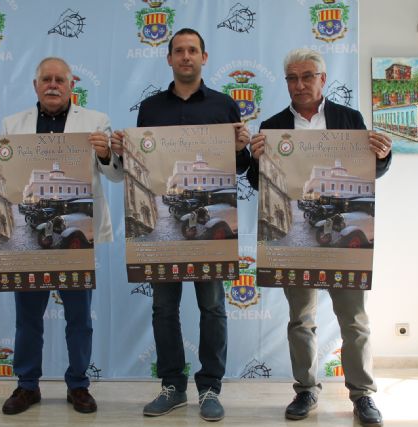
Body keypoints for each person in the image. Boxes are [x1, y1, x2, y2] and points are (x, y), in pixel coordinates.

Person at [0, 57, 123, 415]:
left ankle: (78, 385)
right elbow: (4, 172)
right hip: (31, 237)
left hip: (78, 236)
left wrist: (104, 154)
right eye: (46, 79)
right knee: (28, 317)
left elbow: (115, 176)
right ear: (36, 86)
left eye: (60, 80)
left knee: (79, 318)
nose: (53, 85)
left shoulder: (96, 121)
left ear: (72, 85)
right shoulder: (12, 124)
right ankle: (27, 386)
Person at [110, 28, 250, 422]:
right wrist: (123, 152)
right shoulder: (150, 108)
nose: (186, 56)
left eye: (192, 50)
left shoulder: (225, 105)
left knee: (213, 307)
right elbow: (143, 166)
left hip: (212, 224)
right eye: (179, 51)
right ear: (169, 59)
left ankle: (210, 388)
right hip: (165, 228)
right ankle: (172, 386)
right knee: (163, 309)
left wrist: (242, 149)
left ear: (204, 57)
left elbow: (239, 169)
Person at [246, 48, 392, 427]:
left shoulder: (349, 119)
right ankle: (306, 389)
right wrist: (255, 160)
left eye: (307, 76)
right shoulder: (273, 125)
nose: (300, 85)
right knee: (301, 320)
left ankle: (362, 395)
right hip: (299, 239)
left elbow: (370, 171)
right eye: (292, 78)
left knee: (354, 321)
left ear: (322, 79)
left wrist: (382, 156)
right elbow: (258, 183)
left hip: (345, 240)